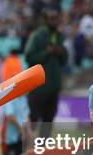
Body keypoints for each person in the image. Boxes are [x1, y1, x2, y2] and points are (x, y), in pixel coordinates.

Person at [24, 8, 68, 138]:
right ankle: (26, 149)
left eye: (56, 18)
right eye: (52, 18)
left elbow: (64, 61)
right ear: (45, 20)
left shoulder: (59, 36)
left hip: (53, 85)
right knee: (34, 119)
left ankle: (42, 151)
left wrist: (61, 52)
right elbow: (29, 57)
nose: (55, 21)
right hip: (38, 86)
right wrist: (46, 52)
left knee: (48, 120)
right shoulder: (37, 36)